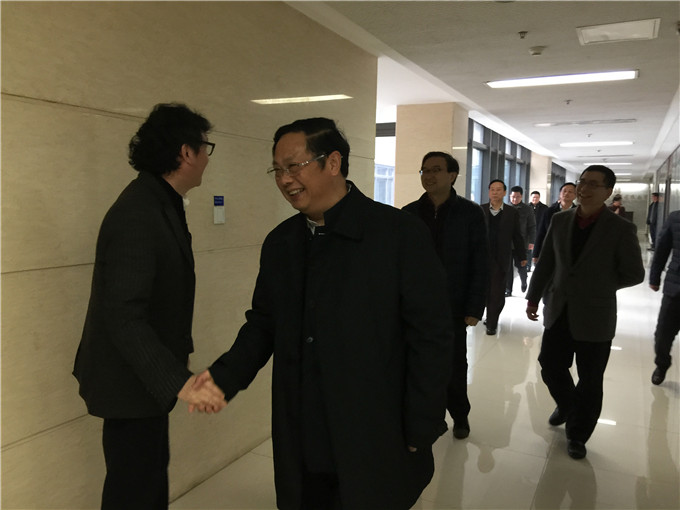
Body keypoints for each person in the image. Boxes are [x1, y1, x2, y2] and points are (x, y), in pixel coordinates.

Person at [197, 118, 453, 509]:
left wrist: (422, 422)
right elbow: (264, 323)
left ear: (333, 163)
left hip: (374, 425)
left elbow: (431, 337)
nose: (284, 179)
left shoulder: (398, 234)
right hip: (303, 426)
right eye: (277, 170)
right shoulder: (281, 243)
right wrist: (222, 377)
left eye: (293, 166)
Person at [72, 103, 227, 510]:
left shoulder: (160, 201)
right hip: (129, 382)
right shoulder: (139, 212)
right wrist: (181, 383)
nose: (207, 158)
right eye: (205, 148)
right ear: (186, 152)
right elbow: (124, 315)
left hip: (143, 382)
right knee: (134, 488)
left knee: (148, 478)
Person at [526, 165, 644, 460]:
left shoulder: (620, 228)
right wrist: (533, 298)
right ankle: (568, 405)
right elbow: (547, 263)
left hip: (595, 314)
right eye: (582, 182)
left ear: (608, 191)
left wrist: (599, 284)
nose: (584, 189)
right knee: (550, 365)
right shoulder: (560, 219)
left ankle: (578, 435)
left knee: (590, 379)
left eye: (593, 184)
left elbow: (634, 273)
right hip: (559, 309)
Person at [403, 151, 488, 440]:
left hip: (453, 305)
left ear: (452, 176)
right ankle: (430, 417)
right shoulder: (408, 213)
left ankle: (460, 415)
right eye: (424, 170)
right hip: (415, 305)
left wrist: (475, 307)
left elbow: (480, 261)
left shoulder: (470, 213)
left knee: (453, 365)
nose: (428, 175)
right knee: (418, 365)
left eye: (436, 170)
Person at [481, 180, 526, 335]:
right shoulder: (480, 210)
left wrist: (522, 256)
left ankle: (492, 323)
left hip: (501, 258)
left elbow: (517, 235)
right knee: (484, 289)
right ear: (489, 192)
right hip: (482, 258)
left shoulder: (511, 212)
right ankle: (487, 314)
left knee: (497, 291)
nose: (495, 192)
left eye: (498, 189)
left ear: (505, 192)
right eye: (492, 189)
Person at [649, 210, 680, 385]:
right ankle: (662, 364)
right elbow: (662, 248)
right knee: (662, 335)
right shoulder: (675, 218)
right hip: (675, 288)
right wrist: (654, 277)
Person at [532, 182, 577, 263]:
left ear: (575, 195)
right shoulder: (549, 211)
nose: (566, 193)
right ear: (560, 193)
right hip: (550, 249)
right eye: (564, 191)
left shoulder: (578, 212)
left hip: (570, 251)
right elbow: (541, 232)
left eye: (570, 192)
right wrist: (536, 254)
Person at [506, 186, 536, 295]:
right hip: (507, 243)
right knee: (508, 268)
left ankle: (524, 281)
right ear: (510, 196)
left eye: (517, 197)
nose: (515, 199)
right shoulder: (505, 208)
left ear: (521, 196)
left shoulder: (527, 209)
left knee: (521, 266)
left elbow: (532, 226)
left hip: (521, 243)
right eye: (513, 196)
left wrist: (532, 241)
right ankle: (508, 289)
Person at [528, 191, 548, 272]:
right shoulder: (527, 207)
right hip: (529, 232)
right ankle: (528, 266)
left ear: (539, 198)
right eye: (533, 197)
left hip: (540, 231)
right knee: (529, 250)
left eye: (537, 197)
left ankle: (537, 265)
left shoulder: (545, 208)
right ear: (530, 197)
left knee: (538, 249)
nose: (535, 199)